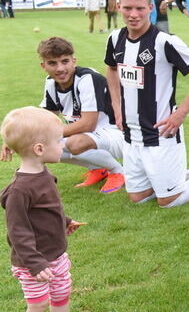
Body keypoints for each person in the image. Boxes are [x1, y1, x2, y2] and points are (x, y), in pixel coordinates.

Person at [104, 0, 189, 208]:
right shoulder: (115, 39)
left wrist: (181, 113)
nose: (133, 14)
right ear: (118, 6)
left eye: (140, 8)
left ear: (150, 8)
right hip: (132, 136)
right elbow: (111, 70)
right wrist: (116, 107)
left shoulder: (164, 41)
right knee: (138, 198)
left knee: (169, 200)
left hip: (161, 133)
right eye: (128, 8)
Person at [1, 107, 93, 312]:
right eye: (58, 141)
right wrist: (35, 264)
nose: (63, 144)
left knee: (62, 291)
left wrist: (64, 221)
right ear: (39, 149)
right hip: (34, 263)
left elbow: (49, 209)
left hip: (55, 254)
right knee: (38, 304)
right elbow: (18, 232)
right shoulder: (19, 191)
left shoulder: (43, 175)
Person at [37, 37, 125, 194]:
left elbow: (88, 124)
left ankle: (118, 171)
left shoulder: (87, 78)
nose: (60, 68)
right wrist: (22, 138)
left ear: (74, 61)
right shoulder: (50, 83)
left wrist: (48, 133)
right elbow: (45, 119)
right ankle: (98, 169)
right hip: (91, 136)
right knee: (41, 147)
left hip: (117, 134)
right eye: (52, 63)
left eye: (65, 61)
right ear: (43, 66)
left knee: (74, 143)